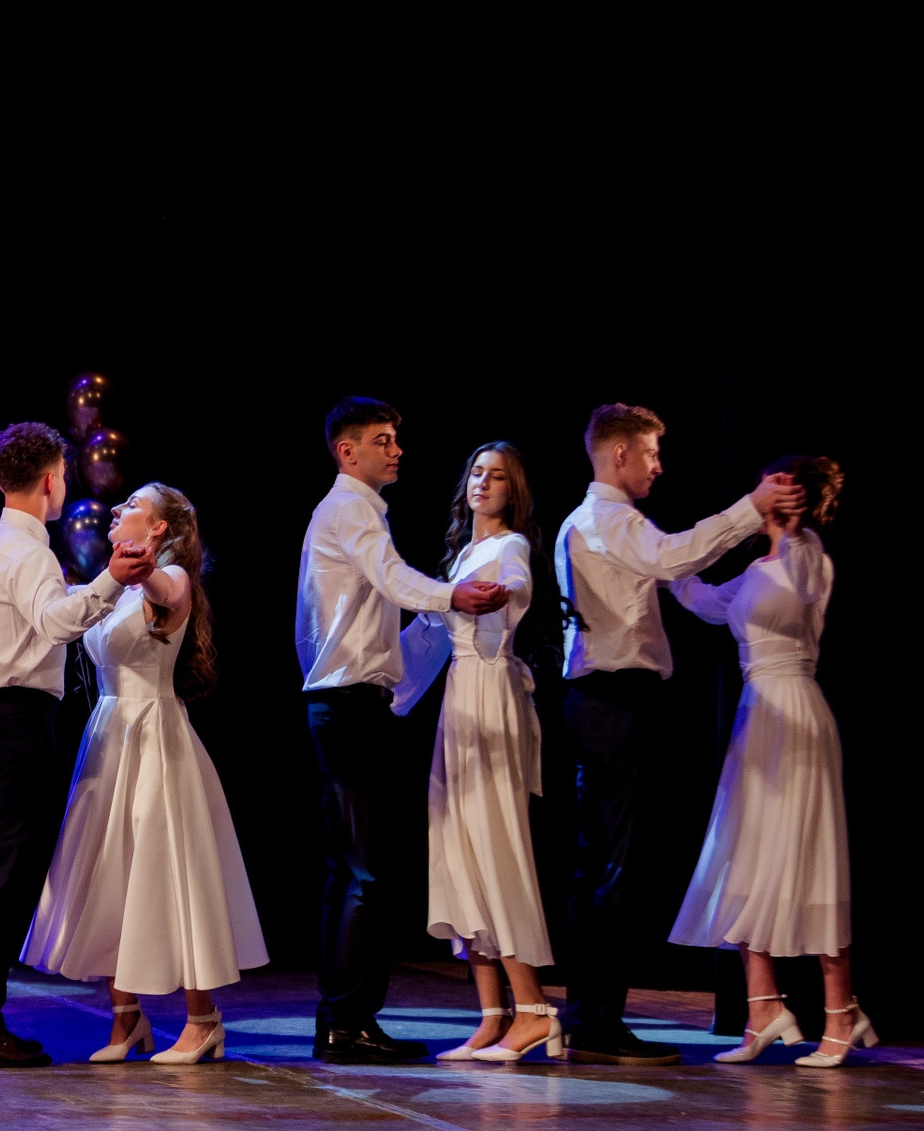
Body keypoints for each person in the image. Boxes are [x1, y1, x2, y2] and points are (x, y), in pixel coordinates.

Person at [554, 403, 806, 1066]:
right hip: (615, 700)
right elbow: (670, 557)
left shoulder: (593, 521)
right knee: (616, 866)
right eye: (651, 452)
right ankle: (597, 1023)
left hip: (596, 700)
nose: (659, 466)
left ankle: (587, 1014)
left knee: (595, 865)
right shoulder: (609, 519)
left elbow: (674, 573)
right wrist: (750, 508)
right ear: (619, 455)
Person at [296, 397, 508, 1066]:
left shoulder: (345, 511)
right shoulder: (352, 509)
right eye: (382, 440)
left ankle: (340, 1018)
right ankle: (349, 1022)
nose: (397, 450)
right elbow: (391, 578)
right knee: (367, 871)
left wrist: (435, 617)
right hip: (350, 705)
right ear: (347, 450)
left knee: (350, 869)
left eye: (396, 439)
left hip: (340, 702)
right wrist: (455, 596)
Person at [23, 482, 266, 1065]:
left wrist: (145, 570)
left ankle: (203, 1021)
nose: (116, 509)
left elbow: (167, 589)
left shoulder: (171, 577)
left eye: (132, 505)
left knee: (168, 871)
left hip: (155, 734)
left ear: (158, 528)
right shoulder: (114, 584)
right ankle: (126, 1019)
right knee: (113, 873)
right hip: (109, 734)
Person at [0, 421, 154, 1068]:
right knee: (8, 879)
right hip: (12, 720)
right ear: (52, 479)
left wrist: (98, 589)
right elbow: (55, 622)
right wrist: (110, 580)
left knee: (0, 875)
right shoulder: (27, 550)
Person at [666, 457, 867, 1067]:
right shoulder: (755, 570)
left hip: (797, 712)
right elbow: (701, 599)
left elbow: (802, 585)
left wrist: (795, 525)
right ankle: (763, 1008)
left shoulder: (809, 557)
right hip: (756, 714)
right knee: (747, 853)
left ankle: (842, 1012)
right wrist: (664, 564)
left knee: (808, 859)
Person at [392, 443, 566, 1063]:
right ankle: (493, 1016)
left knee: (495, 848)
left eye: (496, 476)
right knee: (460, 851)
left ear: (513, 492)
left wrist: (500, 592)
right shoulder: (463, 554)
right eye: (476, 473)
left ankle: (535, 1011)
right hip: (460, 698)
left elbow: (516, 582)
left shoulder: (509, 547)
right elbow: (430, 634)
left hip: (491, 697)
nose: (482, 483)